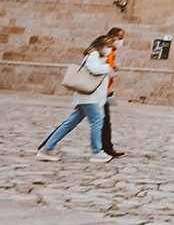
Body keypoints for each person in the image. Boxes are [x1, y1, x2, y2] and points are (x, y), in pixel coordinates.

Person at [37, 34, 117, 163]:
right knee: (97, 120)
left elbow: (100, 73)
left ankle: (46, 149)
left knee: (70, 123)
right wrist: (109, 67)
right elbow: (95, 70)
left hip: (90, 97)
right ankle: (97, 152)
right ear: (101, 45)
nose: (109, 49)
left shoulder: (98, 57)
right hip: (89, 97)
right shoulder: (93, 54)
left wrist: (110, 69)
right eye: (107, 46)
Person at [101, 27, 125, 158]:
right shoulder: (105, 50)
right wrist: (110, 68)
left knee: (104, 121)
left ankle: (106, 148)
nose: (120, 41)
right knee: (103, 121)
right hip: (99, 91)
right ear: (112, 36)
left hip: (105, 90)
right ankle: (105, 149)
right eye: (120, 38)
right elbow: (99, 67)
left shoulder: (111, 50)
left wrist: (112, 68)